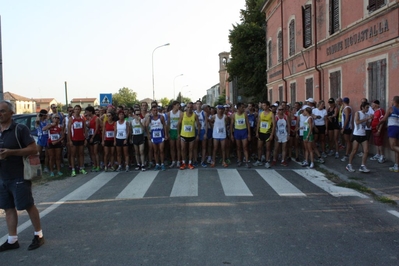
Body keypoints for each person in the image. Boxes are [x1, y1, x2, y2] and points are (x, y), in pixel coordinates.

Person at [0, 100, 45, 251]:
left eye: (3, 111)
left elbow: (33, 149)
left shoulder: (20, 129)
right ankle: (12, 239)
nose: (0, 114)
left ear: (11, 113)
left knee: (27, 205)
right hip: (2, 176)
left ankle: (38, 235)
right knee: (8, 207)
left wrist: (11, 152)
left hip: (20, 174)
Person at [345, 102, 373, 173]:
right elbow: (357, 122)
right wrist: (366, 119)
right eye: (367, 107)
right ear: (362, 107)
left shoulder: (367, 114)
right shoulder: (358, 113)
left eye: (368, 107)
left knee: (366, 151)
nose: (368, 109)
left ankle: (363, 166)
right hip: (357, 134)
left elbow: (368, 126)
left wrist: (370, 120)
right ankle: (349, 164)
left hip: (363, 135)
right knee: (354, 151)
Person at [379, 96, 399, 172]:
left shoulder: (391, 109)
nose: (391, 101)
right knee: (397, 146)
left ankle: (396, 166)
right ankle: (396, 166)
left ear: (394, 101)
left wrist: (378, 124)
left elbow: (384, 119)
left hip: (393, 128)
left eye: (392, 100)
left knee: (393, 146)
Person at [178, 102, 200, 170]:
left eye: (191, 107)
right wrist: (178, 134)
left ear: (192, 108)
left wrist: (198, 135)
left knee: (191, 150)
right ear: (186, 108)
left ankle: (190, 163)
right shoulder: (182, 114)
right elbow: (178, 124)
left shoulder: (195, 115)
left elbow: (199, 125)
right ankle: (184, 163)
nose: (189, 109)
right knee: (183, 149)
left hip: (191, 135)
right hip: (183, 135)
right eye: (188, 107)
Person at [253, 101, 275, 168]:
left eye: (264, 105)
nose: (263, 107)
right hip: (261, 132)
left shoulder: (271, 114)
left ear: (268, 106)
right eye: (262, 105)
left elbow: (274, 125)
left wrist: (272, 134)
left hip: (268, 133)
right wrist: (257, 132)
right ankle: (259, 160)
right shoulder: (261, 113)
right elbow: (258, 123)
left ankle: (267, 161)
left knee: (268, 148)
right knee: (259, 147)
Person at [68, 105, 88, 177]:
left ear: (80, 110)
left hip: (81, 139)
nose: (77, 110)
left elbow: (85, 129)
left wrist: (85, 139)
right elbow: (69, 130)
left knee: (81, 154)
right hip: (74, 139)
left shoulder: (82, 118)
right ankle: (73, 169)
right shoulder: (71, 119)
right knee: (73, 155)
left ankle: (81, 168)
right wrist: (69, 140)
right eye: (75, 109)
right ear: (74, 110)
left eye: (78, 109)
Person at [146, 105, 168, 171]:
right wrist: (148, 134)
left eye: (156, 110)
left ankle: (162, 164)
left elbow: (164, 125)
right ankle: (157, 164)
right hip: (153, 136)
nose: (155, 112)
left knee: (161, 150)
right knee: (155, 151)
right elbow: (146, 126)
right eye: (153, 110)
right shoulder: (150, 118)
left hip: (161, 135)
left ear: (158, 111)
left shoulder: (161, 117)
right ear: (151, 111)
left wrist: (166, 134)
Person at [230, 102, 251, 168]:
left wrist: (249, 134)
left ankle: (247, 161)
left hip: (244, 131)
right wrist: (231, 134)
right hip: (237, 131)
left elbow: (248, 124)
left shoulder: (245, 114)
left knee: (245, 147)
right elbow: (231, 125)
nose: (243, 108)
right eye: (242, 107)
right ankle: (239, 160)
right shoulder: (234, 115)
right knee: (238, 147)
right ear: (238, 108)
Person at [85, 106, 101, 172]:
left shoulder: (96, 118)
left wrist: (93, 137)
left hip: (95, 135)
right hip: (90, 135)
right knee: (92, 152)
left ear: (91, 111)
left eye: (87, 111)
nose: (86, 113)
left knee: (95, 152)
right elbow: (89, 127)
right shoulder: (89, 118)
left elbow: (97, 128)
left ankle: (98, 165)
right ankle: (94, 165)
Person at [131, 105, 146, 171]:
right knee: (136, 152)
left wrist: (139, 121)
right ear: (134, 114)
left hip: (141, 136)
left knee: (141, 151)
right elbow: (130, 130)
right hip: (135, 136)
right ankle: (138, 164)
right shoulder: (132, 121)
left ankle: (143, 164)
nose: (137, 115)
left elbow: (143, 129)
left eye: (138, 114)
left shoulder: (142, 120)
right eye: (136, 114)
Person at [167, 101, 181, 168]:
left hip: (177, 131)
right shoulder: (169, 113)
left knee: (178, 147)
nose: (179, 106)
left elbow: (180, 124)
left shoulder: (180, 113)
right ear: (174, 105)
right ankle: (173, 161)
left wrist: (179, 133)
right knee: (172, 147)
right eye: (177, 105)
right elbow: (168, 123)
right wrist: (168, 133)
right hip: (172, 131)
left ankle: (178, 161)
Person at [340, 97, 353, 162]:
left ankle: (347, 154)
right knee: (347, 141)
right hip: (347, 126)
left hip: (347, 127)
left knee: (347, 141)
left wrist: (343, 128)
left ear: (343, 102)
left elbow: (347, 119)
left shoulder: (347, 108)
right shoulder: (347, 108)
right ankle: (349, 153)